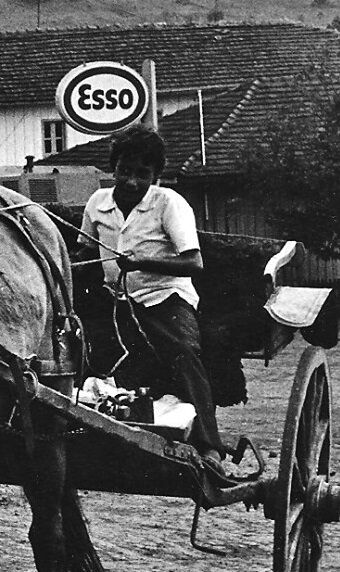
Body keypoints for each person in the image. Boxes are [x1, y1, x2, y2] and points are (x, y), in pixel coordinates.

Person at [79, 125, 225, 469]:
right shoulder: (97, 204)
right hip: (117, 302)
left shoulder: (168, 204)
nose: (131, 181)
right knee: (78, 349)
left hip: (166, 298)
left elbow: (194, 261)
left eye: (142, 174)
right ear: (112, 169)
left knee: (184, 352)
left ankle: (210, 446)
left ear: (156, 176)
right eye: (124, 171)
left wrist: (142, 261)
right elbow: (84, 251)